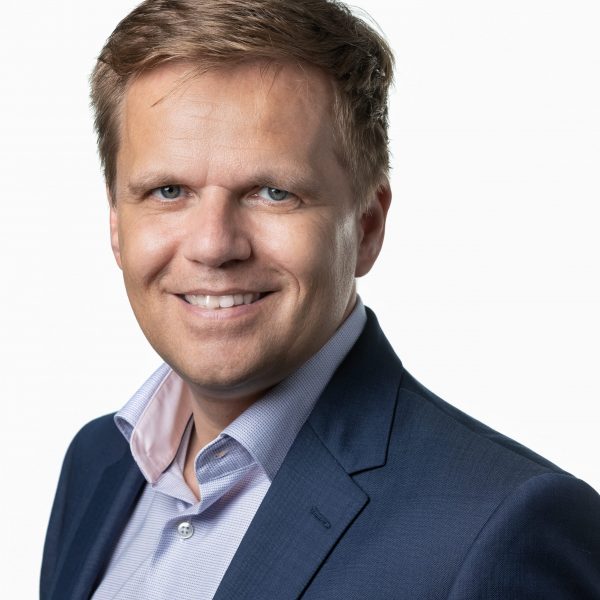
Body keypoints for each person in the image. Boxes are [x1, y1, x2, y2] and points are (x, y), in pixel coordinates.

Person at [41, 1, 600, 598]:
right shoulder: (97, 465)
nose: (213, 245)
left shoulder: (505, 526)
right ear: (117, 224)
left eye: (273, 192)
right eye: (168, 190)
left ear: (367, 227)